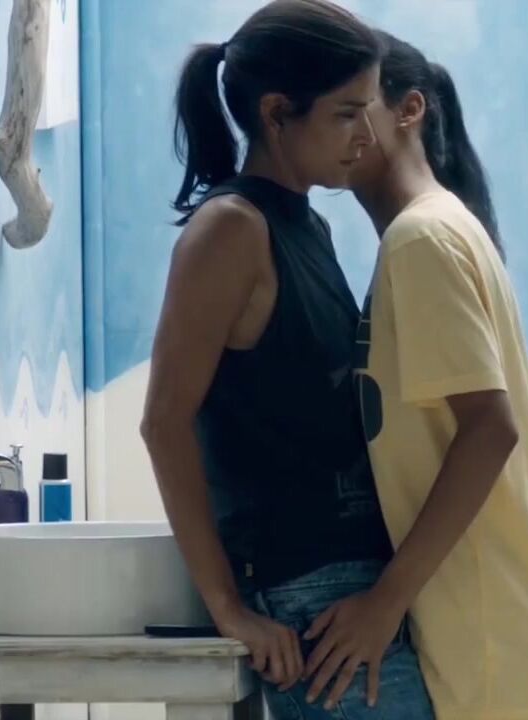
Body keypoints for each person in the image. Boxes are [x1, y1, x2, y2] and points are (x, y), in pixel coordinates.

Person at [141, 2, 435, 717]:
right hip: (308, 593)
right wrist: (228, 608)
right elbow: (165, 422)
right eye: (346, 114)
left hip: (357, 585)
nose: (367, 135)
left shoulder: (311, 225)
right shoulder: (230, 231)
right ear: (276, 113)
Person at [302, 31, 528, 720]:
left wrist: (386, 602)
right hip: (518, 626)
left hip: (489, 640)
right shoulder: (454, 228)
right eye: (331, 111)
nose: (341, 127)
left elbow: (493, 430)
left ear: (410, 111)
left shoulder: (421, 239)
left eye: (357, 107)